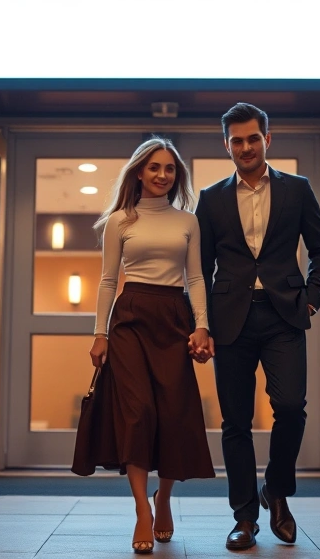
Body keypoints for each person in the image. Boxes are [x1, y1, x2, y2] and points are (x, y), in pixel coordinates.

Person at [194, 102, 320, 550]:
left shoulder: (297, 189)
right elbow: (199, 267)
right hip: (229, 320)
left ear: (267, 140)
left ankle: (276, 489)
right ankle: (245, 518)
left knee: (291, 406)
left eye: (253, 138)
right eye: (237, 140)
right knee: (235, 421)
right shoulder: (211, 199)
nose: (246, 146)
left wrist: (310, 301)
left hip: (283, 315)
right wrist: (200, 322)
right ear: (227, 145)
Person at [88, 137, 216, 554]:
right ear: (139, 171)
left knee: (173, 415)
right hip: (129, 320)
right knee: (138, 412)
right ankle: (142, 507)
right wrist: (100, 333)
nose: (163, 175)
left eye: (170, 169)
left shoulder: (188, 221)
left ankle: (164, 498)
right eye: (154, 167)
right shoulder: (120, 220)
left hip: (173, 318)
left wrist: (201, 326)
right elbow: (109, 280)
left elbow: (195, 278)